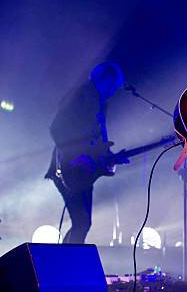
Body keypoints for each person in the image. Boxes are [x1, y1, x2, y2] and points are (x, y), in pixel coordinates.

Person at [45, 61, 127, 244]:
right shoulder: (79, 96)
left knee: (82, 223)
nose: (114, 91)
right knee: (82, 222)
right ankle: (66, 265)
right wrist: (76, 156)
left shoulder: (100, 103)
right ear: (105, 80)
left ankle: (67, 264)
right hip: (68, 168)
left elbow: (95, 141)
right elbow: (57, 129)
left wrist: (111, 156)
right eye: (113, 86)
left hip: (83, 171)